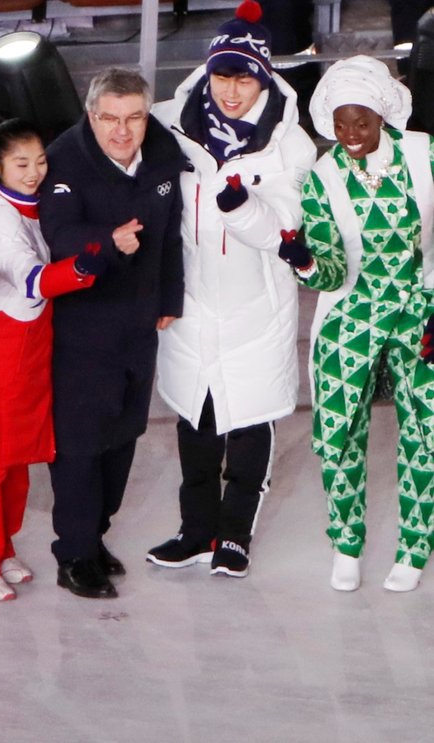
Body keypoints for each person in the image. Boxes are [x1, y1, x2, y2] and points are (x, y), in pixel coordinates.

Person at [146, 0, 316, 579]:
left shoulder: (291, 145)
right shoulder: (170, 121)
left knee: (249, 420)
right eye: (224, 75)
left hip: (256, 307)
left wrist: (243, 210)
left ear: (264, 77)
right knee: (196, 422)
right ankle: (196, 532)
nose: (232, 91)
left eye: (245, 78)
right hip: (192, 302)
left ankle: (234, 536)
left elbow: (287, 230)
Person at [277, 56, 434, 593]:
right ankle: (347, 544)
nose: (349, 136)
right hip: (354, 309)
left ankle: (415, 547)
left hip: (421, 306)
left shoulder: (424, 153)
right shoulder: (323, 179)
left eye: (360, 124)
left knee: (426, 432)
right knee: (339, 432)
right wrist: (303, 262)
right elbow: (334, 271)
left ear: (382, 116)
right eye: (340, 126)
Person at [38, 68, 185, 599]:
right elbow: (58, 236)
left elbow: (170, 234)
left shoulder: (164, 154)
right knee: (79, 445)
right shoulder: (63, 159)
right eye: (110, 119)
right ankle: (73, 553)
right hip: (82, 326)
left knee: (124, 436)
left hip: (140, 322)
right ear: (91, 114)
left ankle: (94, 536)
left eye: (134, 118)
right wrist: (108, 241)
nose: (122, 131)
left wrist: (170, 297)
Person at [0, 118, 105, 602]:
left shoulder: (31, 208)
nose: (34, 172)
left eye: (39, 161)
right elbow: (30, 278)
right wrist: (81, 268)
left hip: (27, 352)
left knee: (14, 460)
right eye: (21, 163)